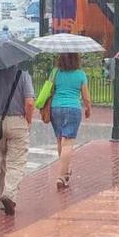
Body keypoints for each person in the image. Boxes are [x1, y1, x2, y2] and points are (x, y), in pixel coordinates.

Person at [0, 66, 35, 215]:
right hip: (17, 121)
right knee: (16, 162)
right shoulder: (23, 74)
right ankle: (9, 194)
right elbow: (29, 102)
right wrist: (28, 120)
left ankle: (1, 199)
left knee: (0, 161)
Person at [50, 53, 91, 189]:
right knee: (68, 143)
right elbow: (86, 97)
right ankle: (61, 176)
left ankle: (66, 170)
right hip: (72, 108)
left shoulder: (56, 73)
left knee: (60, 140)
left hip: (55, 107)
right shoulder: (80, 74)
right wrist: (88, 109)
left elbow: (51, 90)